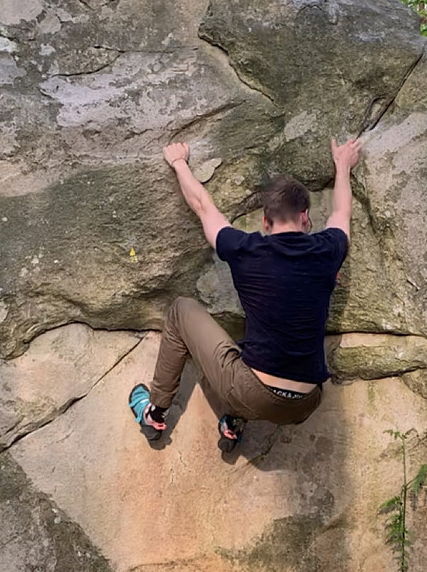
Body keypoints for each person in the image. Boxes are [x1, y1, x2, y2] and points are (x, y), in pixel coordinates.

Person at [128, 135, 362, 451]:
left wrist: (179, 163)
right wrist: (342, 165)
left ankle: (154, 413)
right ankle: (233, 422)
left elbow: (203, 206)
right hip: (306, 402)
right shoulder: (327, 250)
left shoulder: (246, 249)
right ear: (305, 217)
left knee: (181, 310)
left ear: (265, 222)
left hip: (252, 392)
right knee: (247, 346)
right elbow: (341, 214)